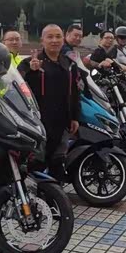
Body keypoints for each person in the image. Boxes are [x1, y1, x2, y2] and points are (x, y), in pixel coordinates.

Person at [17, 24, 80, 180]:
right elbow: (19, 88)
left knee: (58, 162)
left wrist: (75, 117)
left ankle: (56, 192)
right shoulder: (30, 62)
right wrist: (32, 72)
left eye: (58, 37)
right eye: (50, 37)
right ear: (42, 40)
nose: (54, 40)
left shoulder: (69, 63)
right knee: (37, 162)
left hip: (62, 121)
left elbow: (74, 92)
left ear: (63, 39)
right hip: (39, 122)